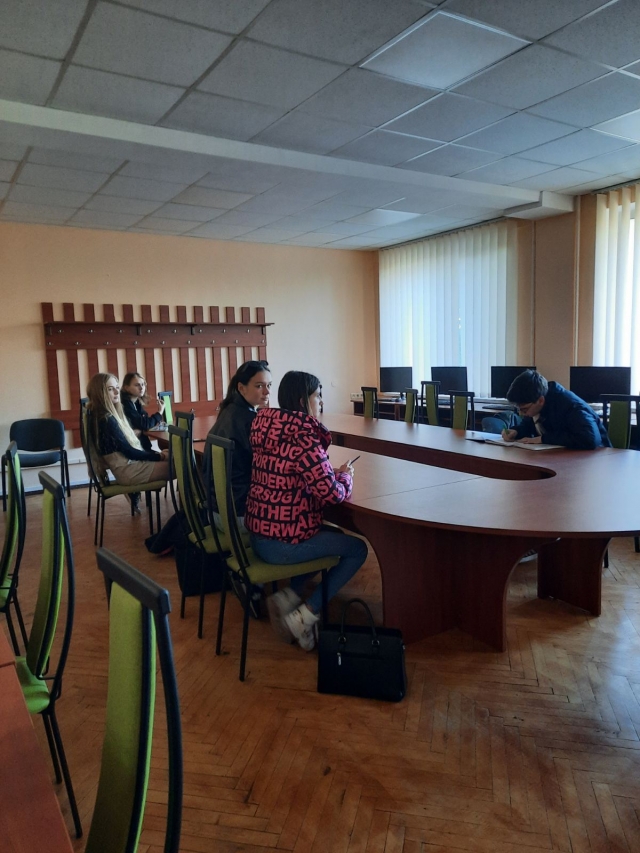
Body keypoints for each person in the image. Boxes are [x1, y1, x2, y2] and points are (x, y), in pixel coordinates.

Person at [245, 370, 368, 651]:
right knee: (357, 549)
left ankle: (289, 595)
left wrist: (326, 472)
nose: (321, 402)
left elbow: (296, 473)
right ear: (303, 401)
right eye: (318, 396)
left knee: (334, 535)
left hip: (259, 534)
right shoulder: (303, 436)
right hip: (281, 544)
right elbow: (333, 494)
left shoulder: (268, 427)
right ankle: (305, 615)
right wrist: (346, 475)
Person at [86, 373, 170, 505]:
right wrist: (159, 456)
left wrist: (159, 456)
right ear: (99, 393)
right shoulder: (106, 419)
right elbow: (130, 452)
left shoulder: (101, 415)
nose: (116, 392)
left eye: (117, 388)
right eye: (110, 389)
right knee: (185, 466)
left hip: (127, 467)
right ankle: (195, 510)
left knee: (177, 458)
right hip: (129, 471)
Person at [207, 360, 272, 529]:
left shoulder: (229, 410)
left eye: (269, 385)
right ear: (241, 388)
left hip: (216, 510)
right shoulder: (250, 421)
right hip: (238, 516)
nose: (267, 392)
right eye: (259, 386)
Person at [503, 369, 612, 450]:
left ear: (540, 400)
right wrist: (516, 431)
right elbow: (528, 427)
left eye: (524, 410)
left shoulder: (570, 405)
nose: (521, 414)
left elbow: (589, 439)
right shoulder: (535, 400)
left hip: (597, 457)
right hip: (560, 456)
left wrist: (542, 439)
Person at [120, 372, 165, 451]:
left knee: (167, 452)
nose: (141, 388)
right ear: (126, 388)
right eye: (137, 385)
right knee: (168, 455)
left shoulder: (136, 401)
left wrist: (141, 429)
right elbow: (145, 424)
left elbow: (144, 421)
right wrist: (160, 411)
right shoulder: (125, 403)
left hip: (140, 446)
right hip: (133, 449)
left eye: (143, 384)